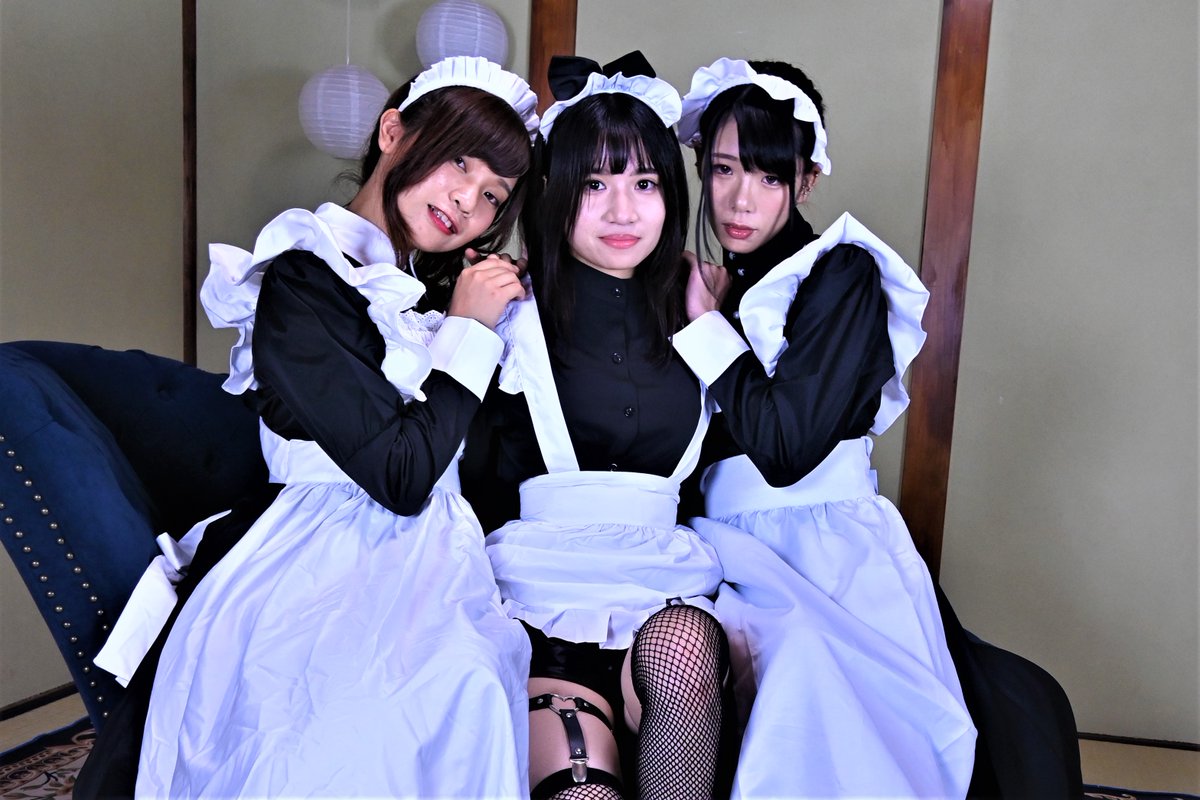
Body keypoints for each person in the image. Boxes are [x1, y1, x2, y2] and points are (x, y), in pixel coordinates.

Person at [78, 56, 540, 799]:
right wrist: (471, 333)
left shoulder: (429, 298)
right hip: (316, 552)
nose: (468, 199)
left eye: (493, 194)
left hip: (435, 555)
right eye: (459, 160)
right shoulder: (302, 277)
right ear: (393, 132)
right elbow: (400, 474)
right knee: (375, 724)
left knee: (474, 685)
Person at [670, 57, 977, 797]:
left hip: (820, 547)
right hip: (717, 543)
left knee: (811, 700)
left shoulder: (842, 273)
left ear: (807, 181)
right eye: (723, 170)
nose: (740, 199)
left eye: (770, 177)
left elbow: (785, 447)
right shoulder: (713, 283)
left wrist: (706, 324)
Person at [462, 53, 734, 800]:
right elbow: (458, 471)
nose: (623, 213)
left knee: (683, 646)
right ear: (556, 193)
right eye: (594, 185)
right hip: (536, 608)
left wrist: (713, 323)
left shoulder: (704, 310)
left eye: (644, 184)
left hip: (667, 606)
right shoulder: (507, 308)